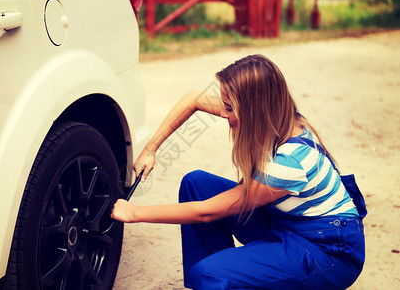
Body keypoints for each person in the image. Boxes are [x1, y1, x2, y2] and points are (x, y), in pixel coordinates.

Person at [111, 54, 366, 289]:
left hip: (327, 251)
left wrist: (135, 213)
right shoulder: (278, 117)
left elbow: (206, 211)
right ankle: (217, 280)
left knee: (209, 273)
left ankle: (214, 278)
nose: (223, 114)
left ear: (254, 109)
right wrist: (151, 148)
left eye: (229, 108)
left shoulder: (292, 163)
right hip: (286, 223)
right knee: (196, 184)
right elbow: (193, 98)